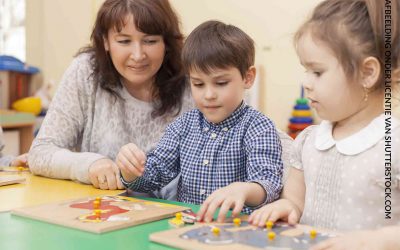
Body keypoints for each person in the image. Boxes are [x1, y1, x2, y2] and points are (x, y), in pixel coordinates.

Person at [249, 0, 400, 249]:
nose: (306, 83)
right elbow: (295, 201)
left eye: (317, 72)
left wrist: (375, 241)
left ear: (367, 73)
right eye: (305, 70)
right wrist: (287, 207)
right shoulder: (309, 140)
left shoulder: (393, 145)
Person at [116, 20, 283, 222]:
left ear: (247, 77)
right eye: (198, 84)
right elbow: (154, 176)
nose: (209, 94)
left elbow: (269, 182)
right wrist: (131, 170)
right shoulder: (183, 125)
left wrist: (245, 190)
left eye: (221, 83)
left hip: (236, 231)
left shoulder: (257, 127)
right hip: (187, 229)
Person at [28, 0, 194, 193]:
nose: (138, 55)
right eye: (124, 41)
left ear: (166, 42)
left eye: (150, 41)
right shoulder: (85, 72)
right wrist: (91, 164)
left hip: (178, 216)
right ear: (105, 41)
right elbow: (40, 153)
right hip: (101, 215)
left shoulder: (194, 79)